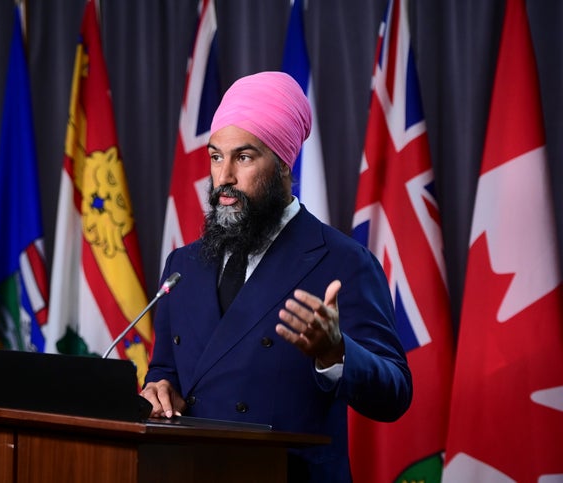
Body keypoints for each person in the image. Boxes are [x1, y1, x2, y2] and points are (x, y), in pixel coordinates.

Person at [141, 71, 412, 482]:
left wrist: (336, 353)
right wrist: (158, 389)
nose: (224, 177)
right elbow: (166, 370)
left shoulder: (344, 262)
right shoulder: (183, 265)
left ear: (283, 163)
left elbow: (395, 392)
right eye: (216, 156)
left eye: (243, 157)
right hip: (189, 471)